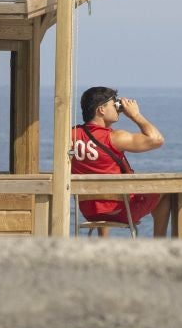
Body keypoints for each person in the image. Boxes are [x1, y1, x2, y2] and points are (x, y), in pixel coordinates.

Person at [70, 85, 165, 230]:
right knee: (166, 192)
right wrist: (135, 115)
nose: (117, 108)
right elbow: (156, 139)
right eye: (114, 104)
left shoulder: (72, 134)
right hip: (121, 212)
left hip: (90, 214)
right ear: (101, 109)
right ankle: (161, 244)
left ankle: (103, 244)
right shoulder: (114, 138)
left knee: (102, 195)